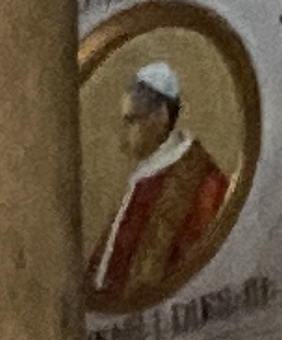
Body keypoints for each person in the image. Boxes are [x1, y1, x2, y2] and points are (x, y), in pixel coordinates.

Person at [86, 61, 230, 305]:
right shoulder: (143, 177)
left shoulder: (204, 184)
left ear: (161, 115)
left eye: (131, 121)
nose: (123, 138)